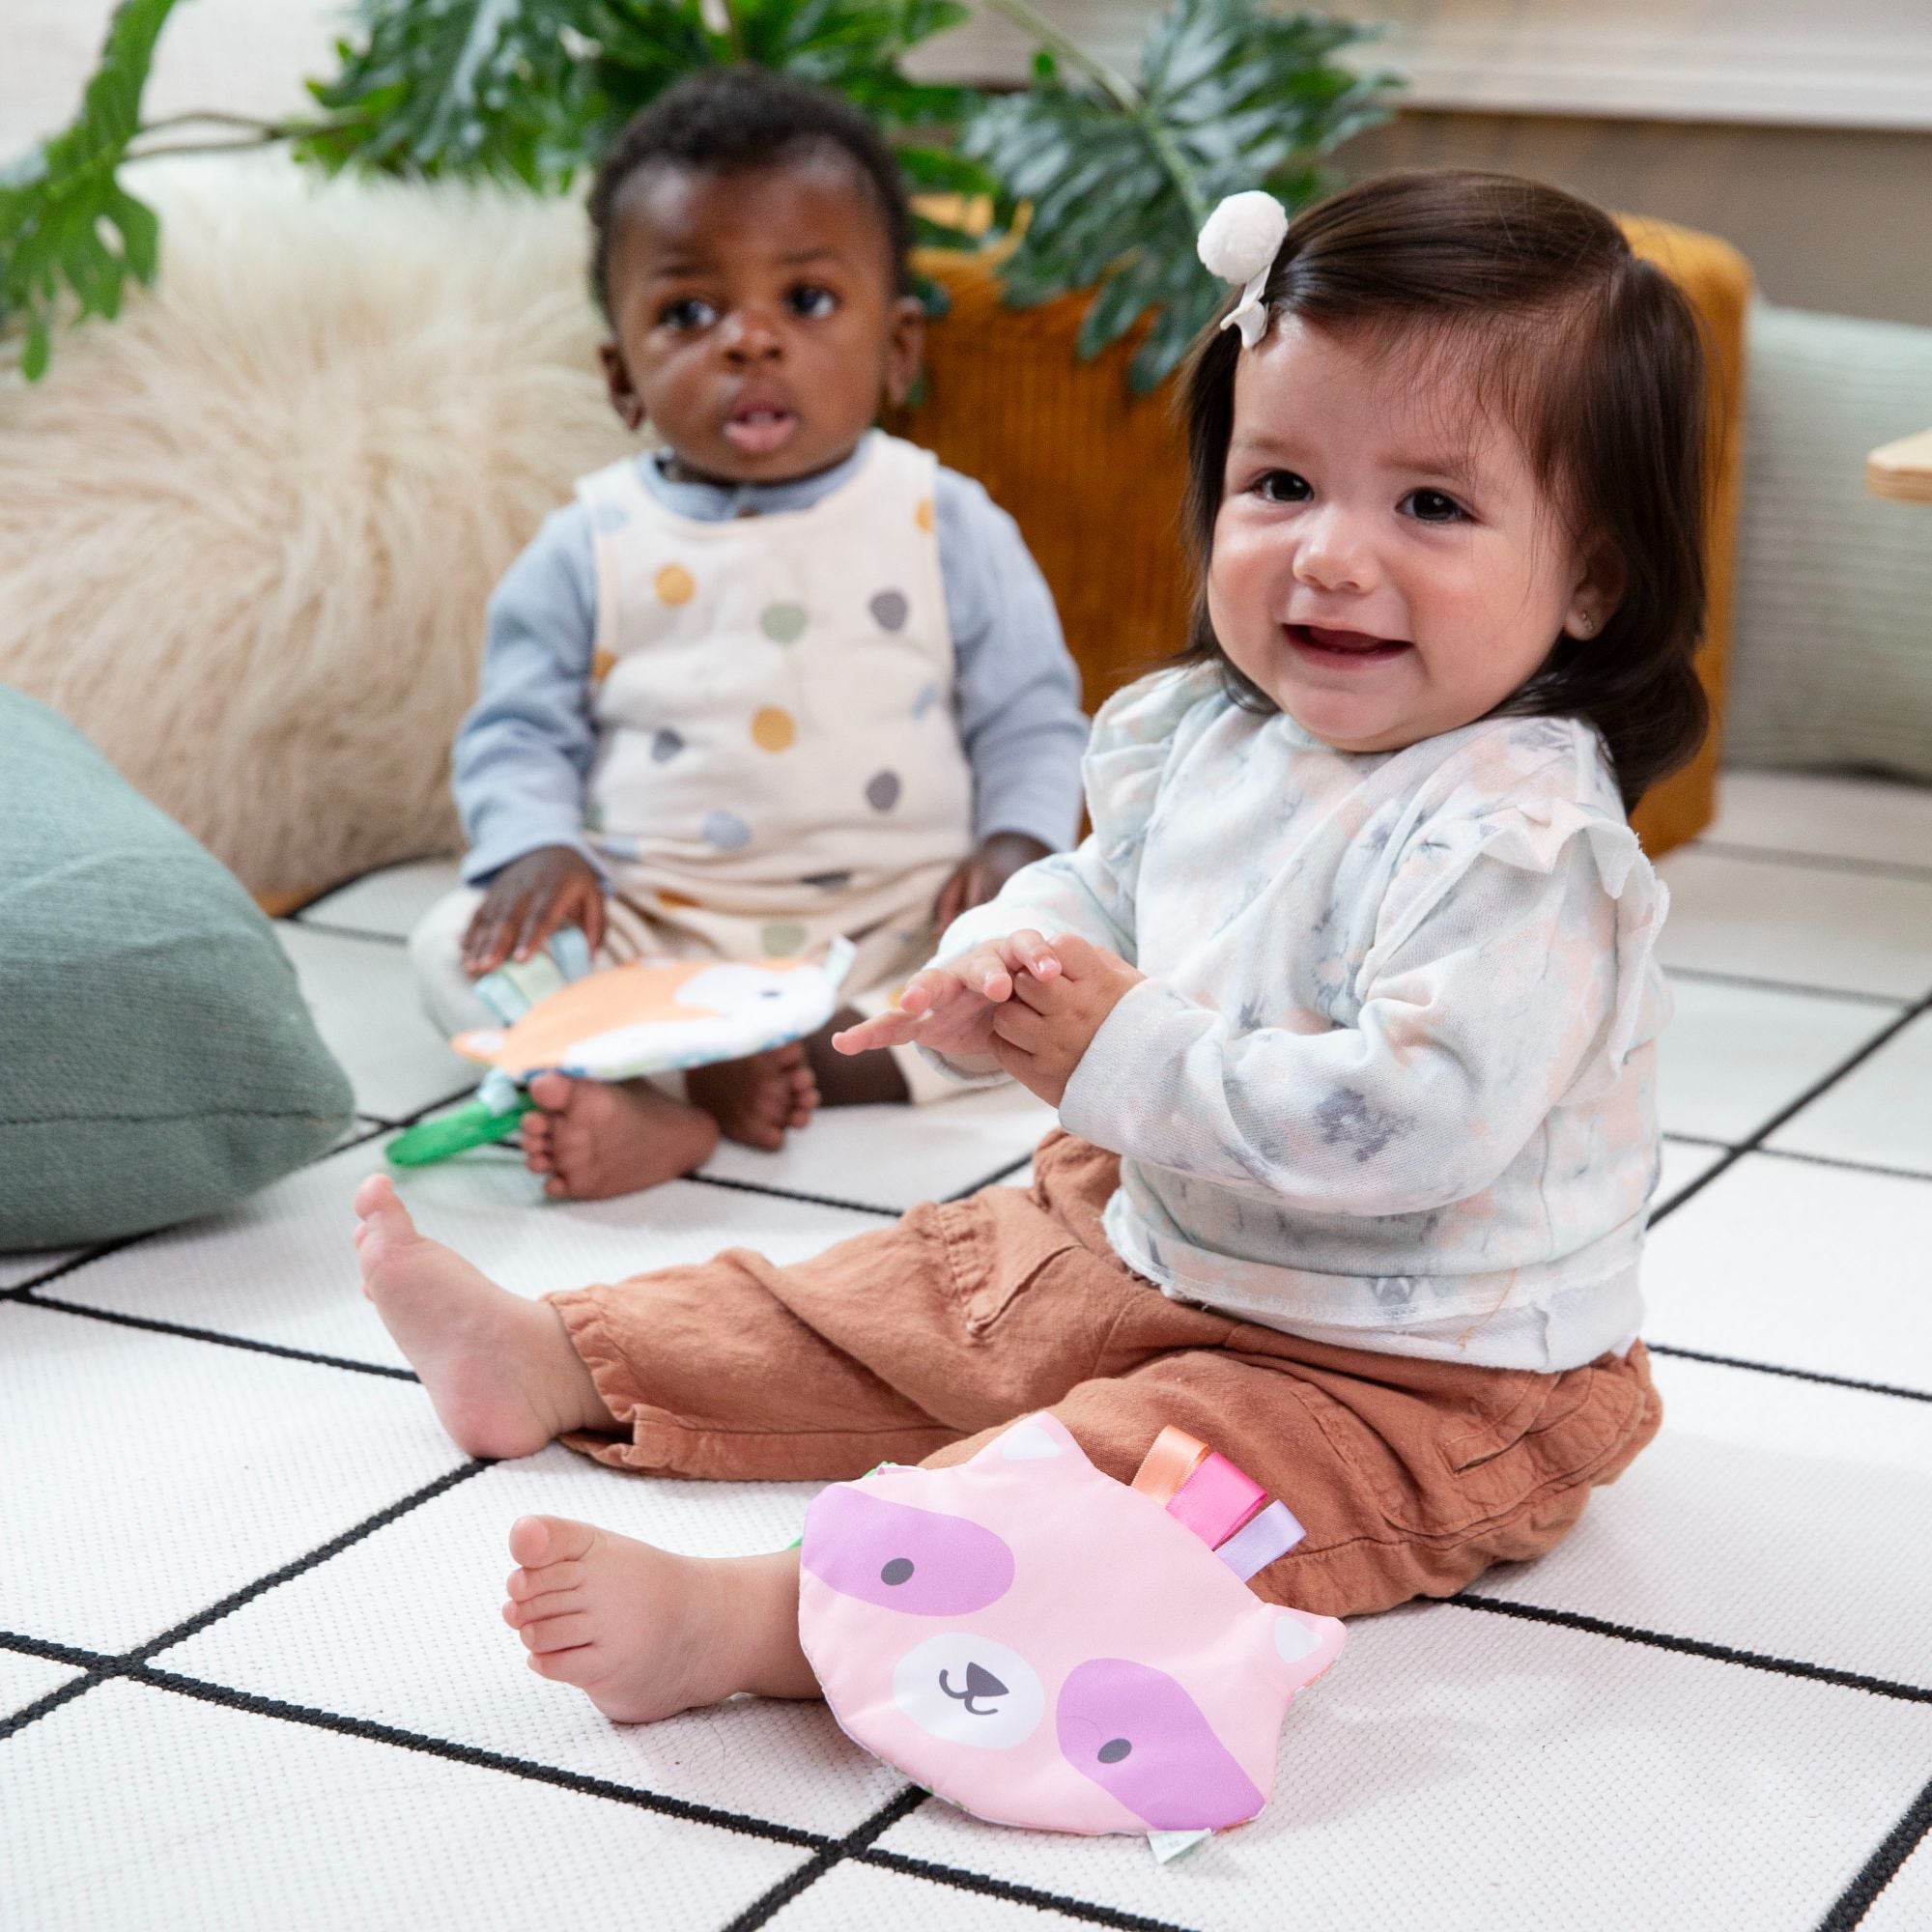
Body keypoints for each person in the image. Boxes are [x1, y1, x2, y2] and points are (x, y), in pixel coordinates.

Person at [358, 168, 1710, 1727]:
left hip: (1412, 1380)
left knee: (1121, 1495)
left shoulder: (1523, 843)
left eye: (1432, 506)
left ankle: (771, 1622)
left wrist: (1121, 1050)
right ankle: (564, 1358)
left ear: (1592, 576)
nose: (1332, 557)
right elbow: (1100, 886)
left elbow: (1416, 1125)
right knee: (898, 1300)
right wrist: (1008, 949)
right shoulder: (1209, 734)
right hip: (1146, 1234)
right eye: (1282, 484)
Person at [409, 68, 1087, 1200]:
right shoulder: (588, 542)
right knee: (450, 944)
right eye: (688, 313)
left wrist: (1017, 848)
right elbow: (518, 730)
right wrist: (537, 846)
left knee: (1044, 970)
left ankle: (745, 1069)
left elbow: (1029, 713)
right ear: (621, 375)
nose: (749, 341)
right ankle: (674, 1074)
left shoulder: (945, 521)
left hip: (891, 924)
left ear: (898, 348)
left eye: (806, 300)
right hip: (652, 932)